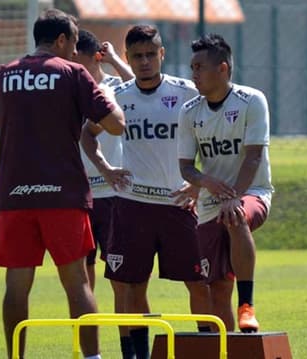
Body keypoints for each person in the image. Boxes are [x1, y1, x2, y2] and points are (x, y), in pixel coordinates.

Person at [0, 9, 125, 359]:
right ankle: (92, 358)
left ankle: (16, 357)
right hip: (64, 195)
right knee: (77, 282)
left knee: (16, 285)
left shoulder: (5, 73)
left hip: (15, 195)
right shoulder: (74, 73)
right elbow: (116, 125)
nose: (75, 52)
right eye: (73, 43)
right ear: (61, 40)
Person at [81, 24, 208, 359]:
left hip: (178, 204)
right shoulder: (118, 97)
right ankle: (136, 355)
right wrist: (107, 169)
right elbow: (87, 136)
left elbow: (211, 133)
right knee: (132, 287)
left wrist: (198, 182)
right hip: (133, 205)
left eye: (151, 54)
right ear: (127, 58)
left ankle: (208, 349)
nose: (145, 61)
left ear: (162, 54)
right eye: (137, 56)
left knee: (198, 283)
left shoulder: (185, 94)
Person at [177, 34, 273, 333]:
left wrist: (235, 197)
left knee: (236, 217)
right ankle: (228, 349)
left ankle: (247, 306)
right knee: (216, 290)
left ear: (222, 69)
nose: (194, 74)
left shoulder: (251, 100)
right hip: (209, 204)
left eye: (199, 68)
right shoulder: (190, 111)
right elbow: (185, 168)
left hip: (253, 192)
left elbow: (255, 156)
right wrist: (204, 181)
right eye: (192, 67)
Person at [73, 29, 136, 359]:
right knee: (82, 280)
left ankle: (128, 351)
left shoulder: (113, 86)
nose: (72, 64)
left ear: (93, 56)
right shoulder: (68, 88)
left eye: (77, 58)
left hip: (114, 196)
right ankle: (90, 355)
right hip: (77, 196)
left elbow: (139, 88)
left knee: (121, 279)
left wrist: (113, 59)